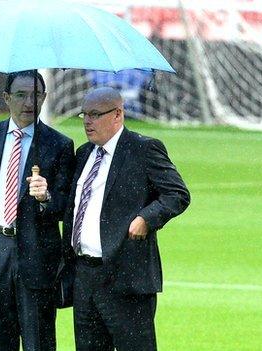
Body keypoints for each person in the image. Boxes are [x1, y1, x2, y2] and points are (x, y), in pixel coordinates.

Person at [62, 87, 190, 351]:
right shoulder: (84, 154)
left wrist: (147, 217)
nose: (88, 122)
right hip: (85, 277)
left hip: (126, 277)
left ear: (118, 114)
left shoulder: (143, 149)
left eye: (95, 115)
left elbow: (177, 194)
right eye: (84, 115)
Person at [0, 71, 75, 351]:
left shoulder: (59, 144)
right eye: (21, 95)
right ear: (6, 98)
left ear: (44, 98)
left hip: (37, 253)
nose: (28, 102)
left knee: (39, 342)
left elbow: (67, 206)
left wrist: (46, 195)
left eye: (35, 95)